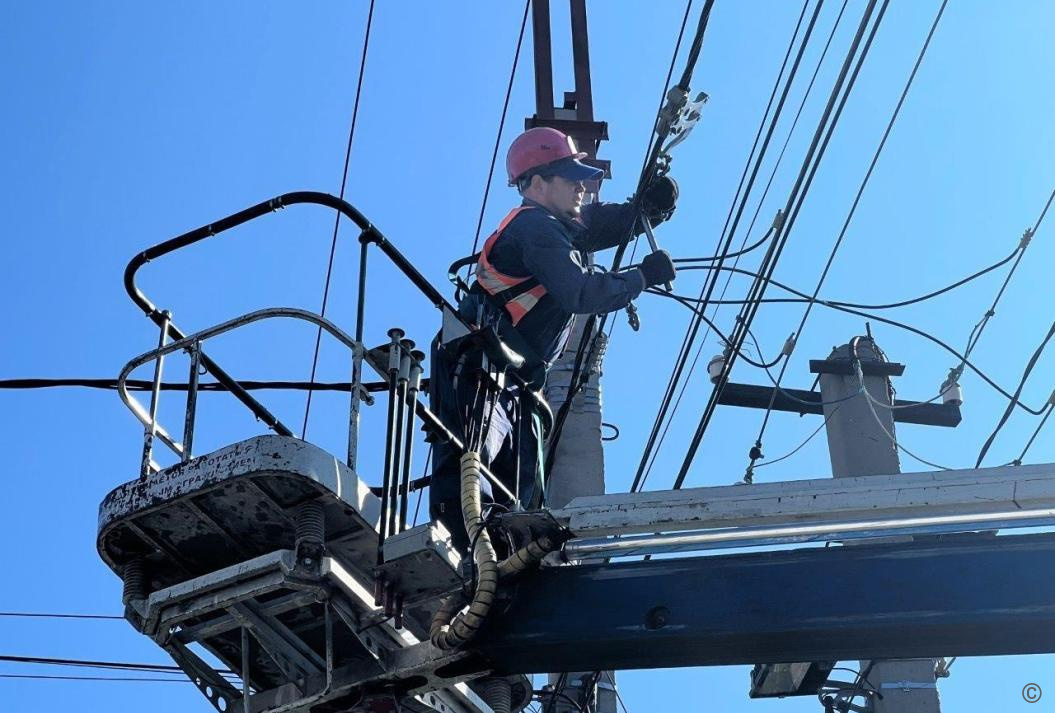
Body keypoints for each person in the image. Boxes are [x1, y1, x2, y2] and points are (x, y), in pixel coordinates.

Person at [428, 126, 677, 550]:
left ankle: (503, 555)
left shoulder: (555, 224)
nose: (583, 187)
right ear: (538, 183)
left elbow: (598, 224)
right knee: (478, 475)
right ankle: (474, 552)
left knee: (519, 488)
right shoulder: (535, 228)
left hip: (514, 378)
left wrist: (644, 211)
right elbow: (579, 292)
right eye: (571, 178)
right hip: (481, 371)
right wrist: (642, 276)